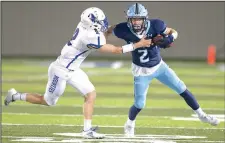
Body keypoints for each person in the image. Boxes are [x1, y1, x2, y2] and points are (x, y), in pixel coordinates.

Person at [4, 7, 152, 139]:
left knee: (90, 94)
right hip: (60, 71)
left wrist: (109, 29)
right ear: (93, 23)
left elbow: (102, 36)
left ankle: (87, 130)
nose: (104, 22)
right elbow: (115, 50)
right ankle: (15, 95)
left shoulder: (84, 26)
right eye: (101, 21)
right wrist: (138, 44)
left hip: (73, 69)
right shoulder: (90, 36)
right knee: (48, 101)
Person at [105, 3, 220, 137]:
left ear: (145, 18)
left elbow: (173, 31)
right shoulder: (122, 29)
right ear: (128, 19)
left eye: (139, 18)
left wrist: (170, 38)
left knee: (182, 88)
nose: (136, 22)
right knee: (139, 104)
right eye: (133, 19)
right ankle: (130, 123)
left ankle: (201, 115)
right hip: (141, 70)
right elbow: (109, 30)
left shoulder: (156, 25)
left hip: (159, 66)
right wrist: (101, 37)